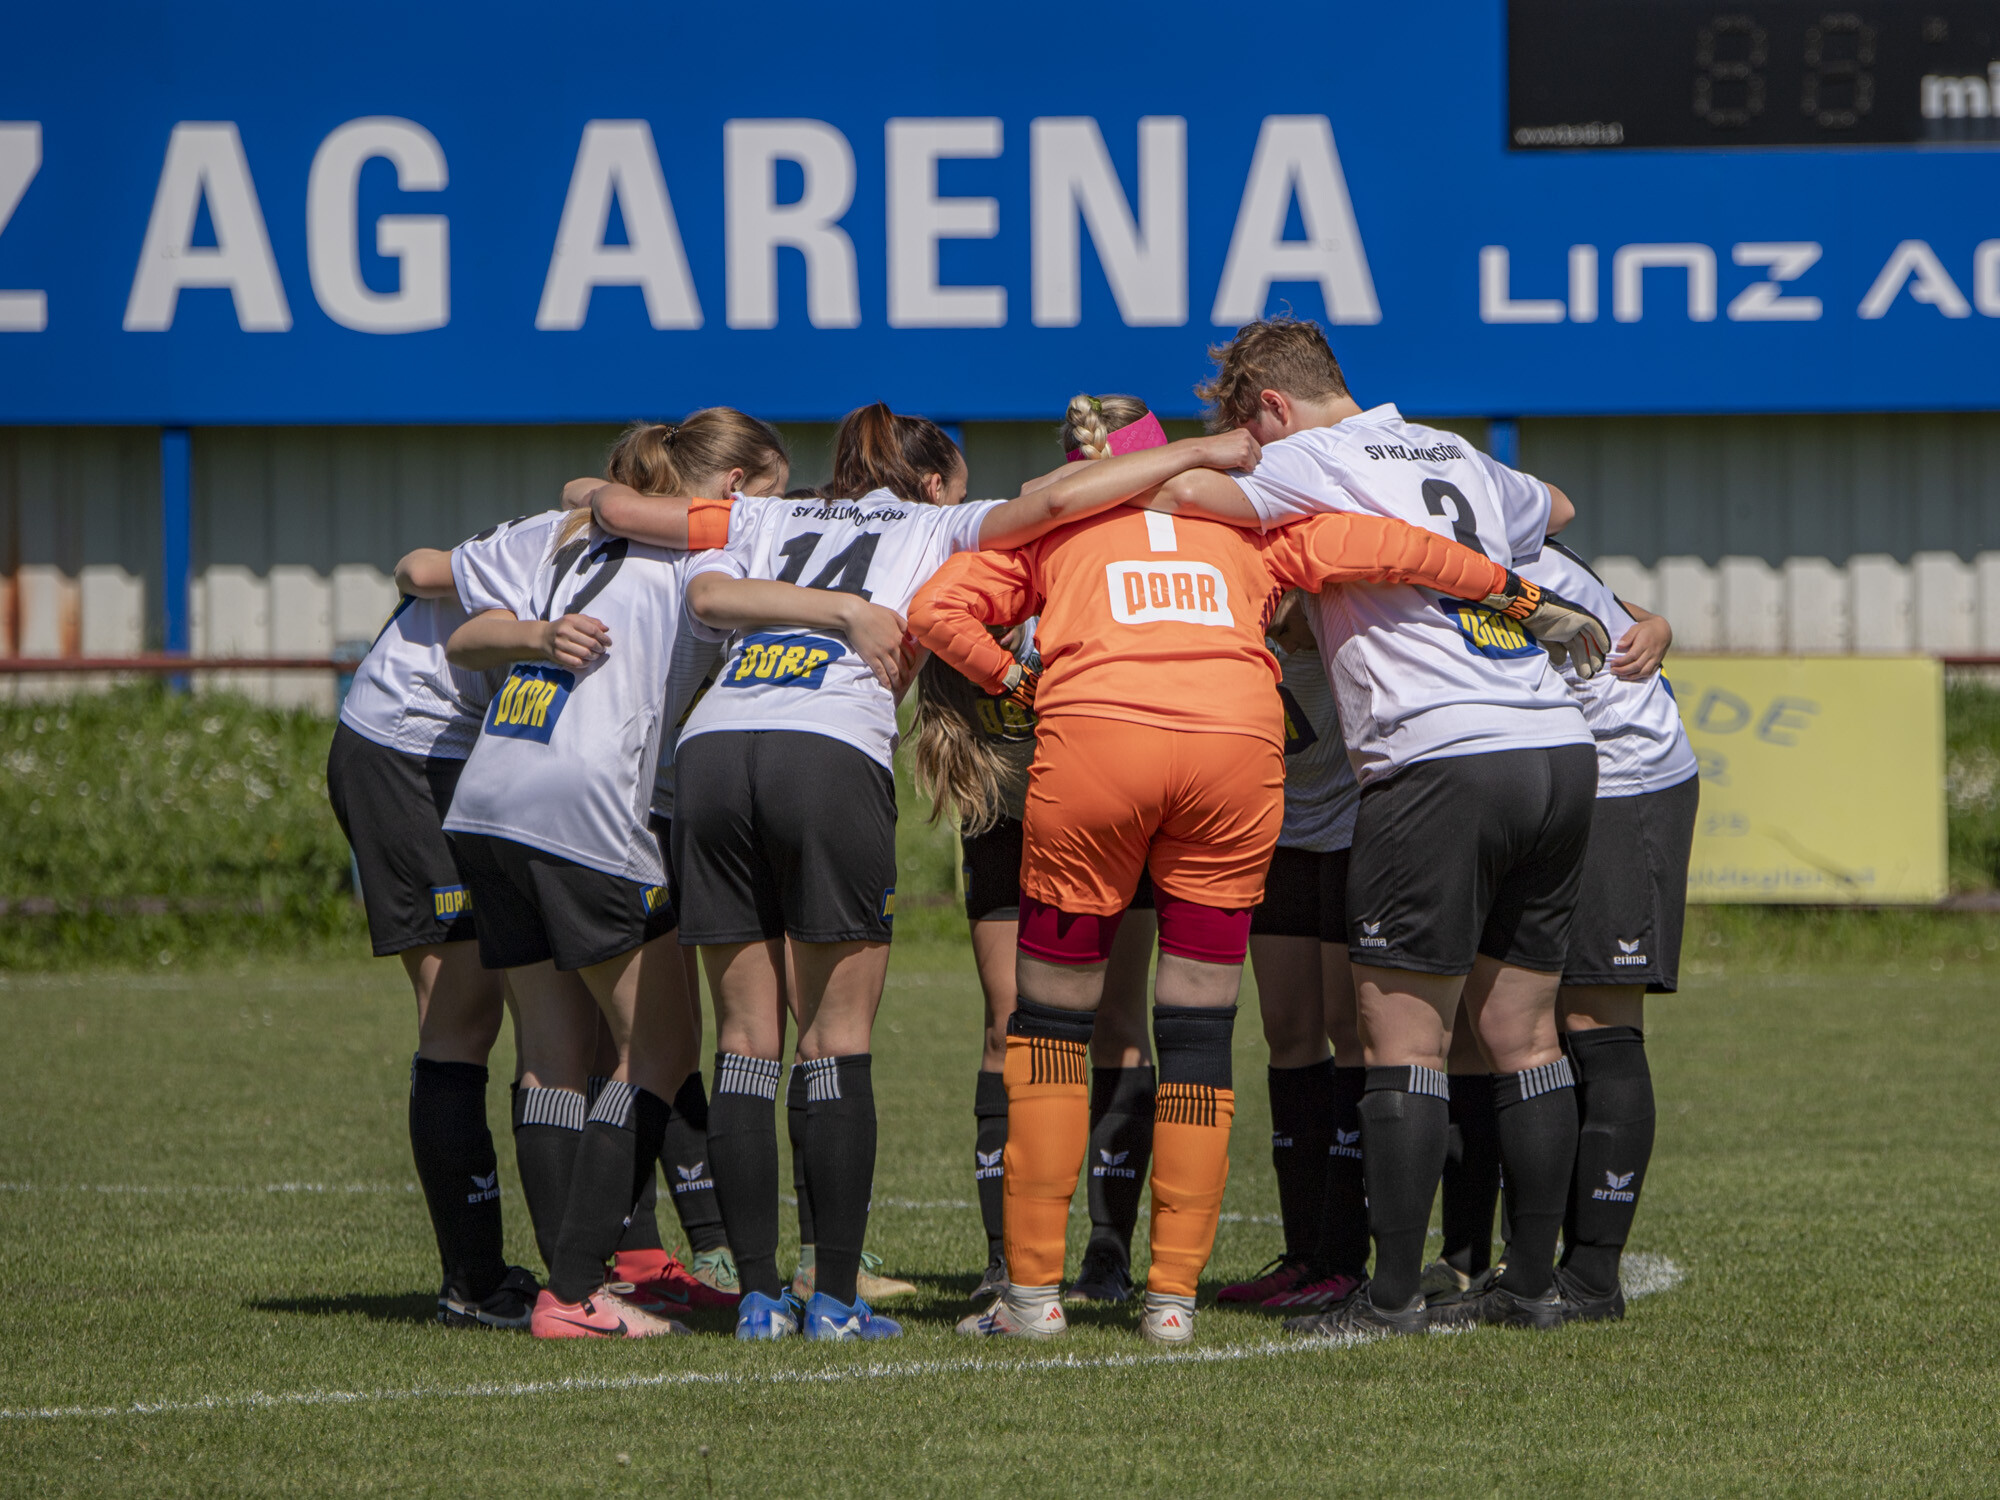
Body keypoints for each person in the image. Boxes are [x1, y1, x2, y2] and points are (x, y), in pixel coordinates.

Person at [908, 393, 1600, 1345]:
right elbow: (1393, 546)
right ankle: (1171, 1302)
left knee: (1051, 1022)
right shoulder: (1251, 524)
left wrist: (1022, 682)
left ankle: (1031, 1297)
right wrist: (1515, 594)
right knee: (1198, 1025)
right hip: (1233, 747)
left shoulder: (1053, 525)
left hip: (1100, 741)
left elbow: (936, 610)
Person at [622, 402, 1273, 1342]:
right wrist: (1201, 452)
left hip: (717, 745)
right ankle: (842, 1297)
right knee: (843, 1037)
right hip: (841, 752)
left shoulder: (769, 512)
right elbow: (1058, 502)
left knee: (746, 1038)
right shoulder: (939, 526)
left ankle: (761, 1295)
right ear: (934, 485)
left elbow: (631, 523)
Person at [1149, 315, 1611, 1337]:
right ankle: (1533, 1285)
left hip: (1439, 754)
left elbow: (1179, 495)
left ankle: (1391, 1296)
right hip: (1553, 743)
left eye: (1247, 429)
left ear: (1270, 407)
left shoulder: (1309, 456)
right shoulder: (1451, 450)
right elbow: (1558, 505)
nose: (1248, 450)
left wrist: (1217, 458)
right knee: (1524, 1033)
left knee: (1400, 1037)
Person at [432, 409, 793, 1338]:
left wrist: (535, 632)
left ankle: (578, 1286)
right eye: (772, 494)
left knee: (551, 1059)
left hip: (488, 798)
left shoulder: (573, 538)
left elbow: (463, 635)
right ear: (734, 489)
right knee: (661, 1052)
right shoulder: (707, 550)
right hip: (584, 806)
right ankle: (573, 1290)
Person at [909, 398, 1165, 1308]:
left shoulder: (1161, 552)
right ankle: (1006, 1257)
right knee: (1010, 1023)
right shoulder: (1020, 542)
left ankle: (1107, 1252)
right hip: (1011, 810)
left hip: (1111, 809)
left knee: (1118, 1022)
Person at [1429, 539, 1696, 1321]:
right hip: (1549, 774)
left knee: (1595, 1020)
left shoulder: (1489, 532)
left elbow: (1611, 606)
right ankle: (1514, 1263)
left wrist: (1658, 626)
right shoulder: (1450, 524)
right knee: (1511, 1021)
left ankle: (1592, 1276)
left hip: (1622, 775)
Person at [325, 545, 538, 1330]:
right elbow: (417, 569)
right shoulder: (573, 534)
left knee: (499, 1006)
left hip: (456, 756)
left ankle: (509, 1276)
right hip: (406, 753)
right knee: (461, 1013)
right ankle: (474, 1284)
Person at [1214, 589, 1369, 1314]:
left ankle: (1348, 1257)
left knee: (1351, 1027)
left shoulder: (1322, 566)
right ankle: (1304, 1254)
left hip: (1353, 824)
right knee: (1288, 1032)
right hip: (1277, 830)